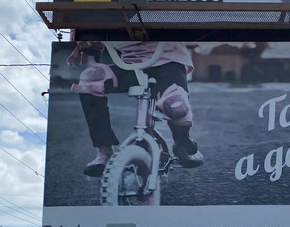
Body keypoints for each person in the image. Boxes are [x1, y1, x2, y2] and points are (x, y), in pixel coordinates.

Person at [66, 41, 204, 176]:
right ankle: (105, 152)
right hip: (130, 66)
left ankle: (181, 142)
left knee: (176, 104)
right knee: (91, 78)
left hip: (169, 62)